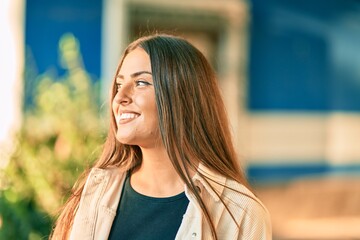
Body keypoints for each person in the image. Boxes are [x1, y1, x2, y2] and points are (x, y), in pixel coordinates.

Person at [51, 34, 272, 240]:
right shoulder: (97, 191)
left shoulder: (241, 213)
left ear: (183, 96)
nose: (119, 98)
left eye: (141, 83)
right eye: (119, 84)